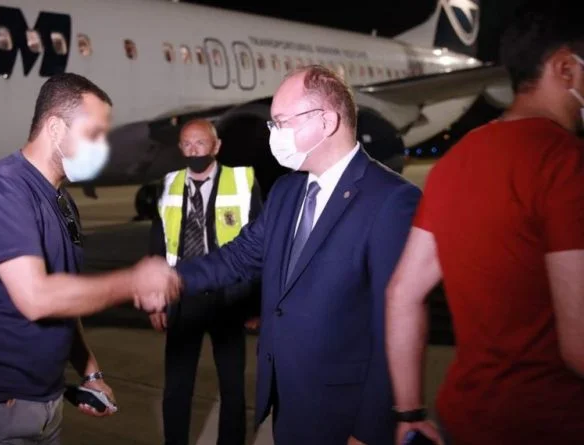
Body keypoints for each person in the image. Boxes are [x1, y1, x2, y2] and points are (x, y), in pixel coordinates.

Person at [148, 65, 422, 444]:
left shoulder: (392, 200)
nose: (273, 135)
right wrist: (171, 278)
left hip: (343, 412)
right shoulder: (286, 191)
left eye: (281, 122)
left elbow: (395, 323)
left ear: (326, 121)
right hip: (286, 400)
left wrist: (369, 429)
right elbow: (238, 257)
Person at [0, 73, 178, 445]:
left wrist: (90, 372)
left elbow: (65, 298)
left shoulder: (63, 202)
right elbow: (37, 297)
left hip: (45, 401)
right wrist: (133, 281)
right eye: (94, 135)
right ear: (56, 128)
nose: (102, 148)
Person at [385, 2, 584, 444]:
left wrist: (409, 411)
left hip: (465, 416)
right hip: (555, 423)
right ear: (565, 68)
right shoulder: (566, 163)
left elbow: (402, 293)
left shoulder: (455, 162)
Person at [149, 119, 262, 445]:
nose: (194, 150)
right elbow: (157, 244)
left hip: (230, 296)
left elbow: (260, 247)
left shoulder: (243, 181)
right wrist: (157, 299)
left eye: (200, 143)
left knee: (232, 387)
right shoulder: (168, 184)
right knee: (177, 386)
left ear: (216, 146)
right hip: (183, 294)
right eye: (187, 144)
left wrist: (256, 303)